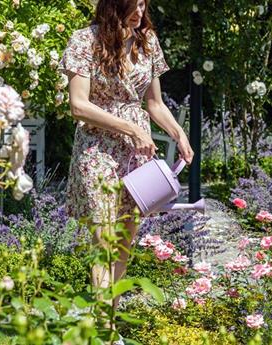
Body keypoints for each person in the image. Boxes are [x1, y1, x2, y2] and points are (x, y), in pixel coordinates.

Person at [59, 0, 193, 311]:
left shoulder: (148, 42)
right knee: (105, 242)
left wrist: (179, 134)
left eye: (143, 3)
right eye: (132, 4)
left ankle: (108, 325)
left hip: (137, 158)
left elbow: (155, 104)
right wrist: (130, 129)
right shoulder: (84, 40)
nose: (139, 11)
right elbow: (78, 105)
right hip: (97, 152)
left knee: (123, 245)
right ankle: (102, 329)